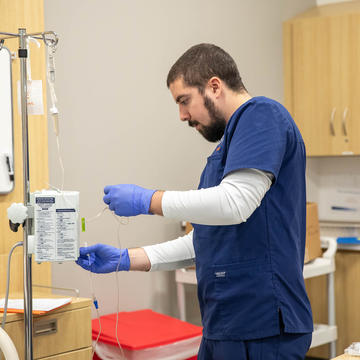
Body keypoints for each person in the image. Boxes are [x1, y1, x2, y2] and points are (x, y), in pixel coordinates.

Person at [76, 43, 313, 360]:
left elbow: (235, 203)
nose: (182, 115)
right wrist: (126, 259)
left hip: (262, 326)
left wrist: (149, 200)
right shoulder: (223, 151)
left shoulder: (261, 116)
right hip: (224, 326)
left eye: (184, 100)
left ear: (214, 86)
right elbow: (206, 239)